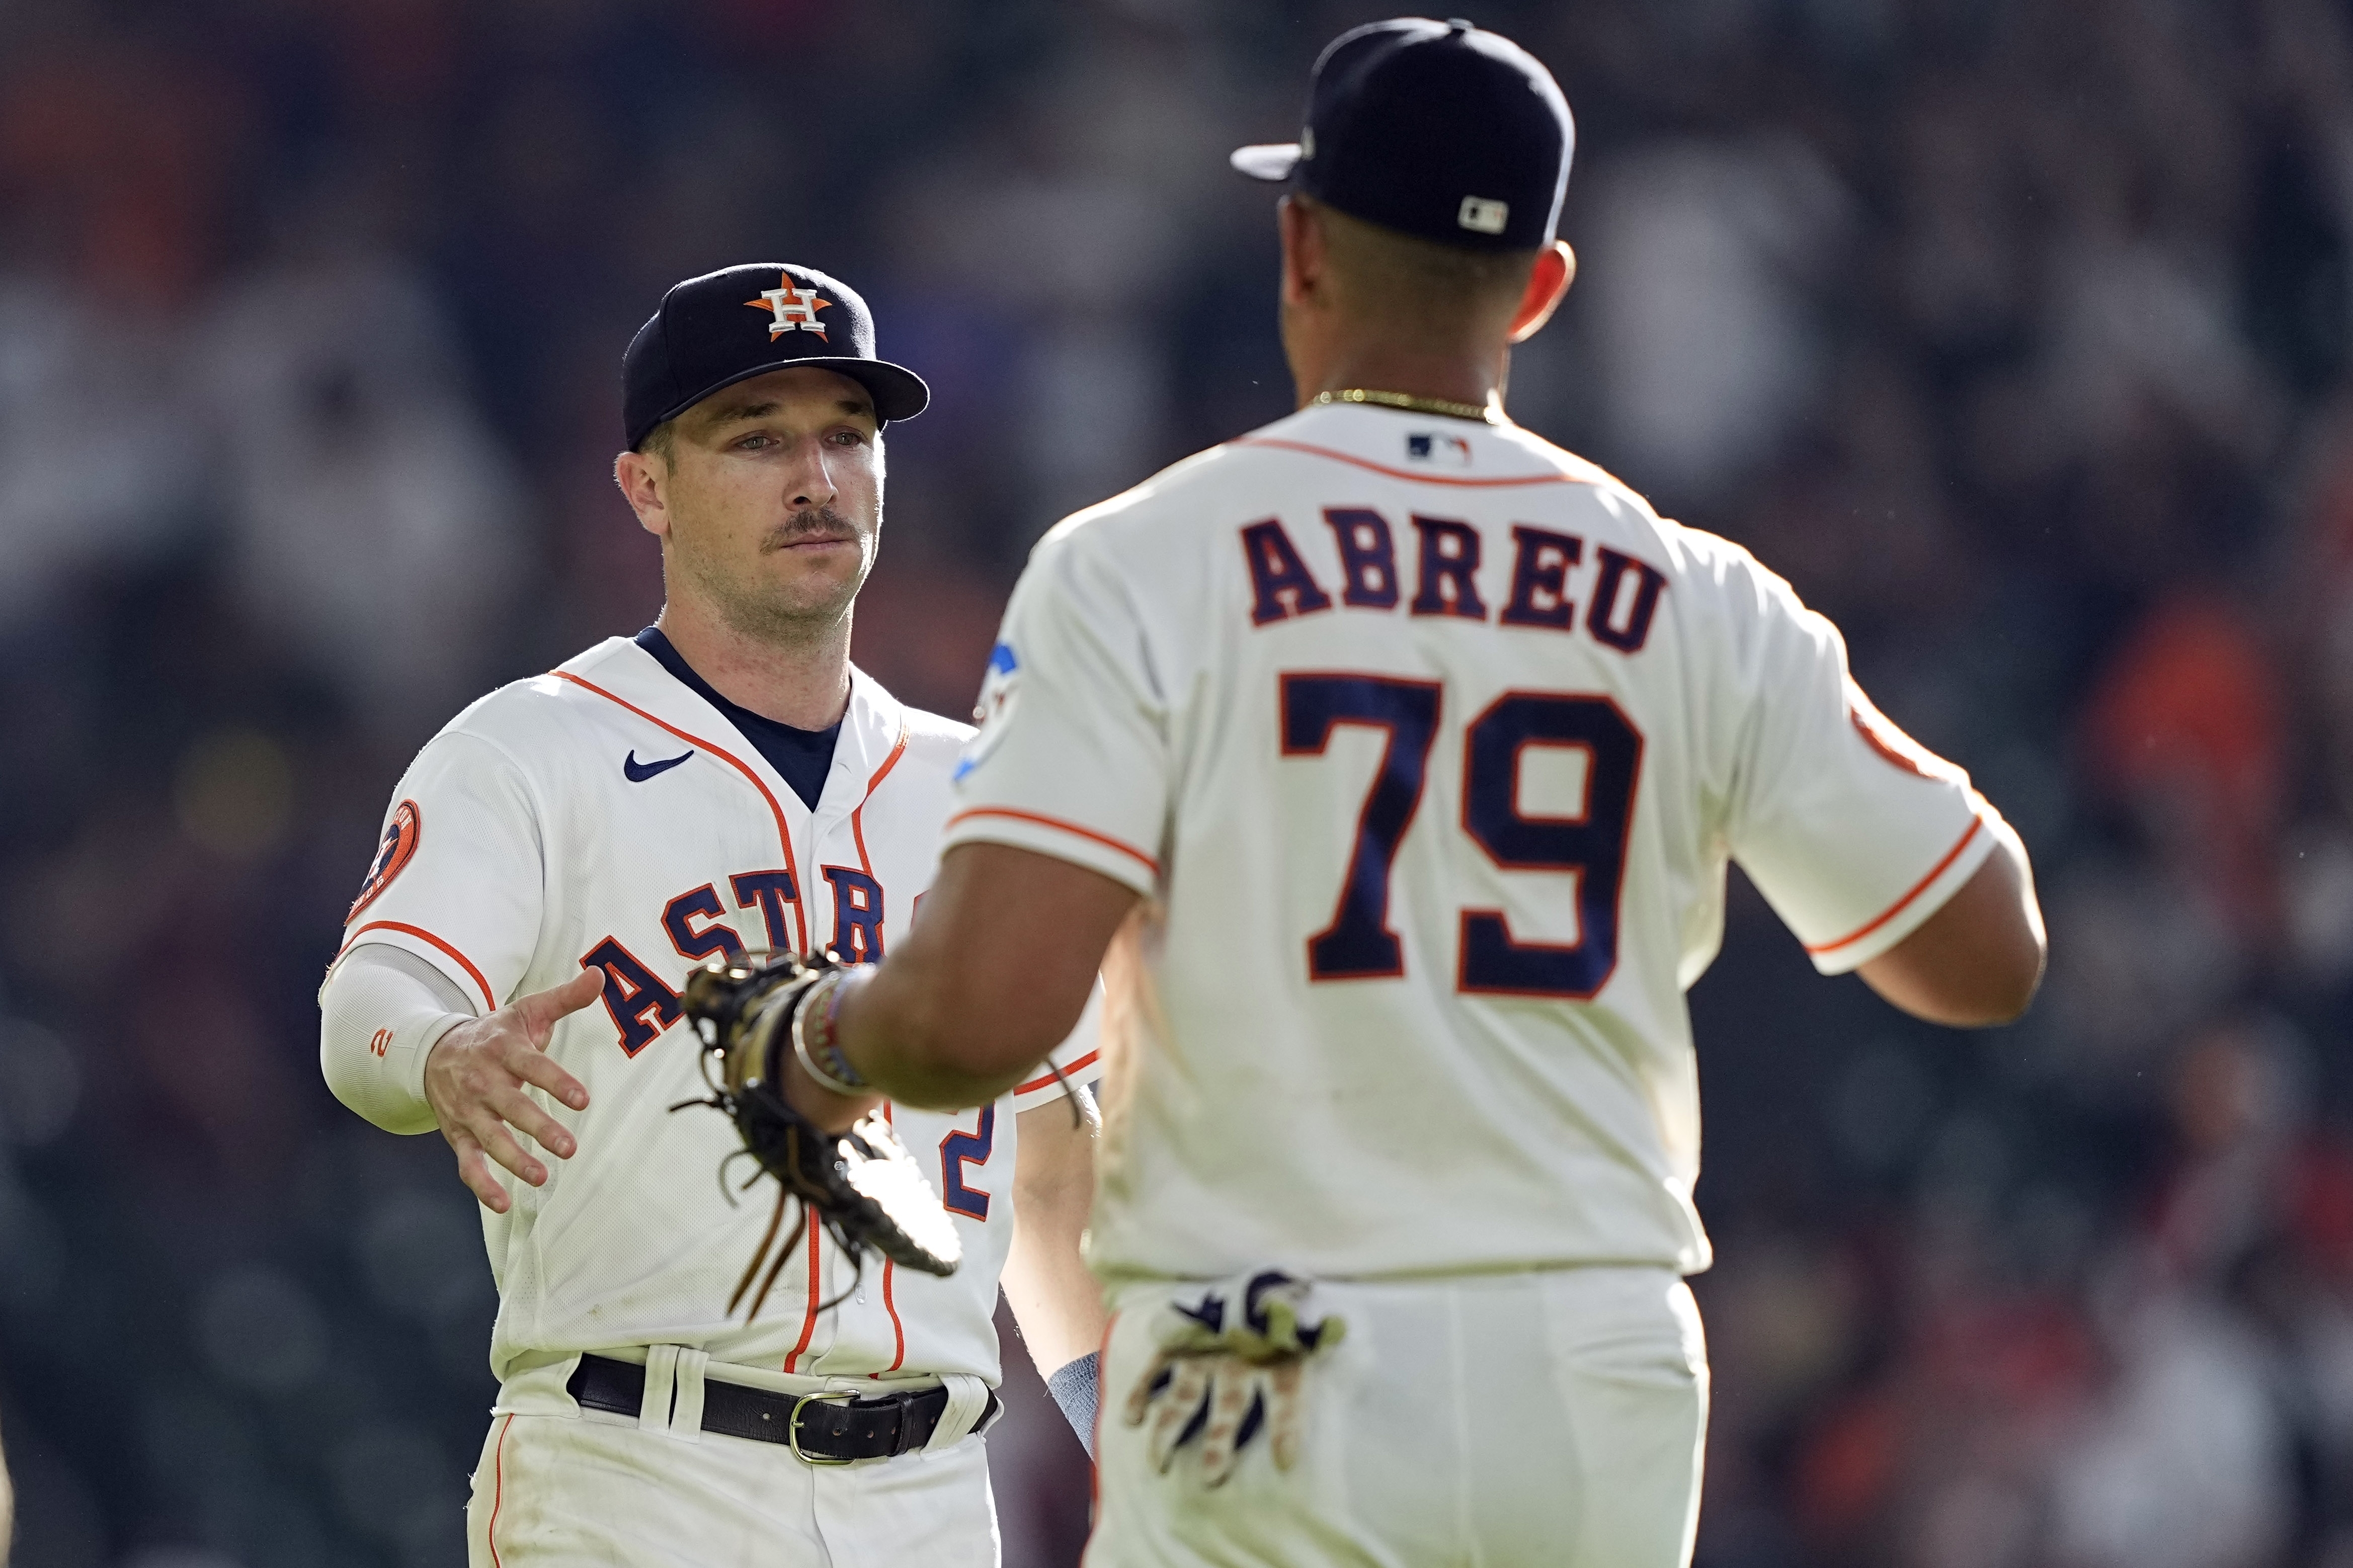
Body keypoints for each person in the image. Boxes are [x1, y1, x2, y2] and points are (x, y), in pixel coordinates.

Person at [763, 19, 2048, 1568]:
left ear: (1299, 246)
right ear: (1545, 288)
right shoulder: (1699, 595)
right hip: (1593, 1369)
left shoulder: (1144, 565)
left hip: (1270, 1354)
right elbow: (1989, 950)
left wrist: (819, 1038)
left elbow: (980, 1024)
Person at [316, 263, 1105, 1568]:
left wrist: (1141, 1467)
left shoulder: (987, 792)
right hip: (639, 1474)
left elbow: (1060, 1171)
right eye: (756, 439)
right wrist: (444, 1054)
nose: (817, 477)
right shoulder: (532, 749)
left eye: (847, 436)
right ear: (646, 486)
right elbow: (371, 1001)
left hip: (931, 1497)